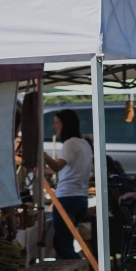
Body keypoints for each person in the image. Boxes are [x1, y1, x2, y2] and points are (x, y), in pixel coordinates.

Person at [45, 109, 92, 260]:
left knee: (64, 245)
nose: (54, 127)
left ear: (66, 124)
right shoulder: (84, 143)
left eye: (57, 123)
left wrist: (42, 154)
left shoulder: (69, 144)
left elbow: (57, 166)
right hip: (80, 199)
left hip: (67, 198)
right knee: (61, 243)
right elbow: (60, 168)